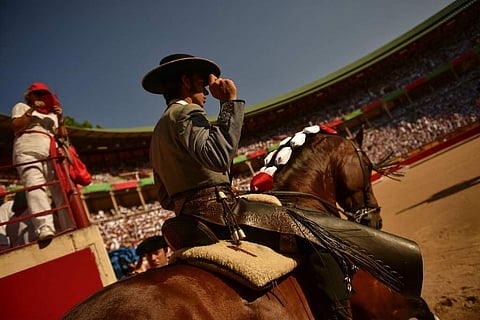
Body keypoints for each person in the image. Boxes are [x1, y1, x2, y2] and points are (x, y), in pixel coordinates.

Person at [143, 54, 353, 319]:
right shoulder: (186, 112)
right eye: (201, 82)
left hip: (186, 221)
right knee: (314, 236)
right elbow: (218, 157)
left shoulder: (157, 132)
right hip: (218, 215)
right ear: (185, 81)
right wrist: (228, 103)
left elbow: (164, 197)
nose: (207, 90)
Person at [11, 82, 70, 241]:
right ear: (29, 95)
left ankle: (68, 224)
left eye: (43, 94)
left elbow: (62, 136)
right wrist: (32, 109)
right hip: (28, 149)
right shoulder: (21, 107)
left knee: (59, 189)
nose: (40, 97)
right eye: (37, 94)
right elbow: (17, 126)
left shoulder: (52, 116)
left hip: (51, 151)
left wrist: (60, 118)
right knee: (35, 186)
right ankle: (44, 227)